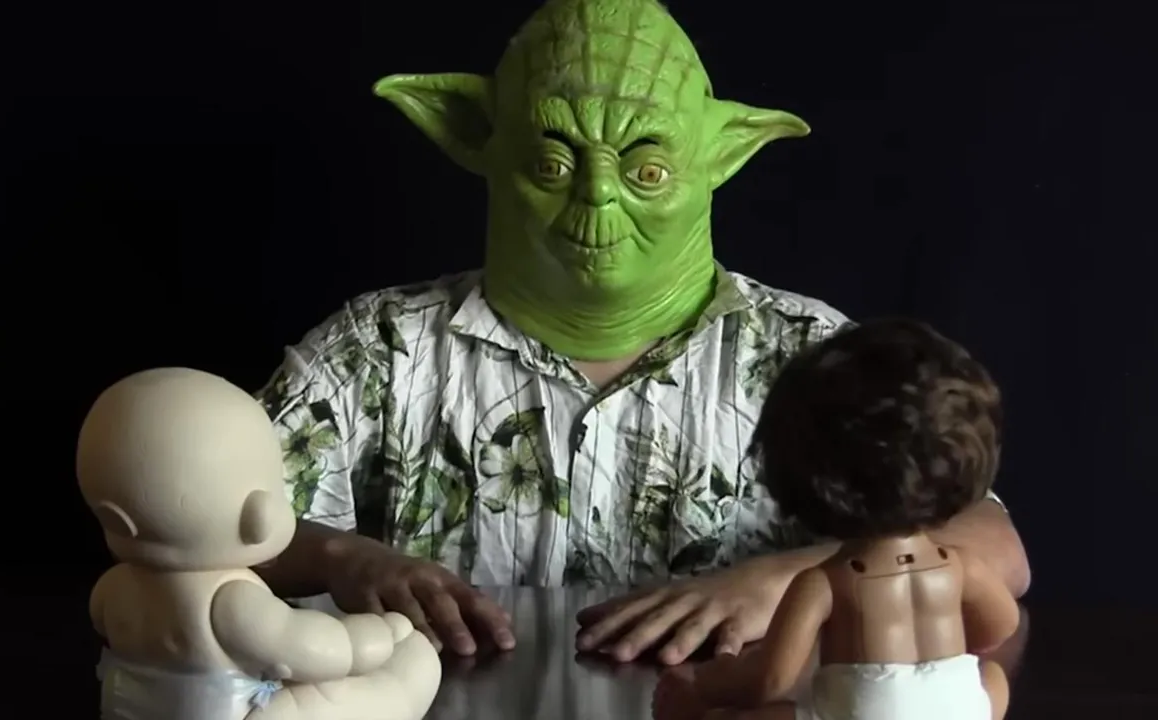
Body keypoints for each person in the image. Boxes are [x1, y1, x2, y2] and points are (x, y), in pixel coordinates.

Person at [254, 0, 1030, 664]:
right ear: (475, 137)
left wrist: (796, 579)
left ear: (722, 153)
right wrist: (340, 556)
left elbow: (993, 545)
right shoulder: (378, 348)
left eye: (646, 169)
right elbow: (209, 526)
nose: (597, 195)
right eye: (552, 164)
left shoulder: (811, 354)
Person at [652, 319, 1019, 720]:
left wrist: (709, 680)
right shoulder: (960, 566)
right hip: (958, 710)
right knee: (992, 678)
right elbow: (1000, 626)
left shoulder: (825, 583)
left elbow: (767, 680)